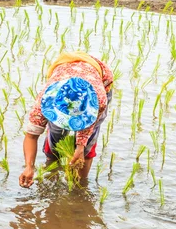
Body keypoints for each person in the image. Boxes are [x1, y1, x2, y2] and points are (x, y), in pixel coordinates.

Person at [19, 52, 113, 188]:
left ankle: (79, 185)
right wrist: (29, 167)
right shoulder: (45, 100)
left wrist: (80, 147)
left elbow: (88, 128)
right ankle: (52, 162)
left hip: (99, 78)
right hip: (63, 75)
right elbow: (31, 136)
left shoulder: (98, 100)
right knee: (56, 132)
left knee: (87, 144)